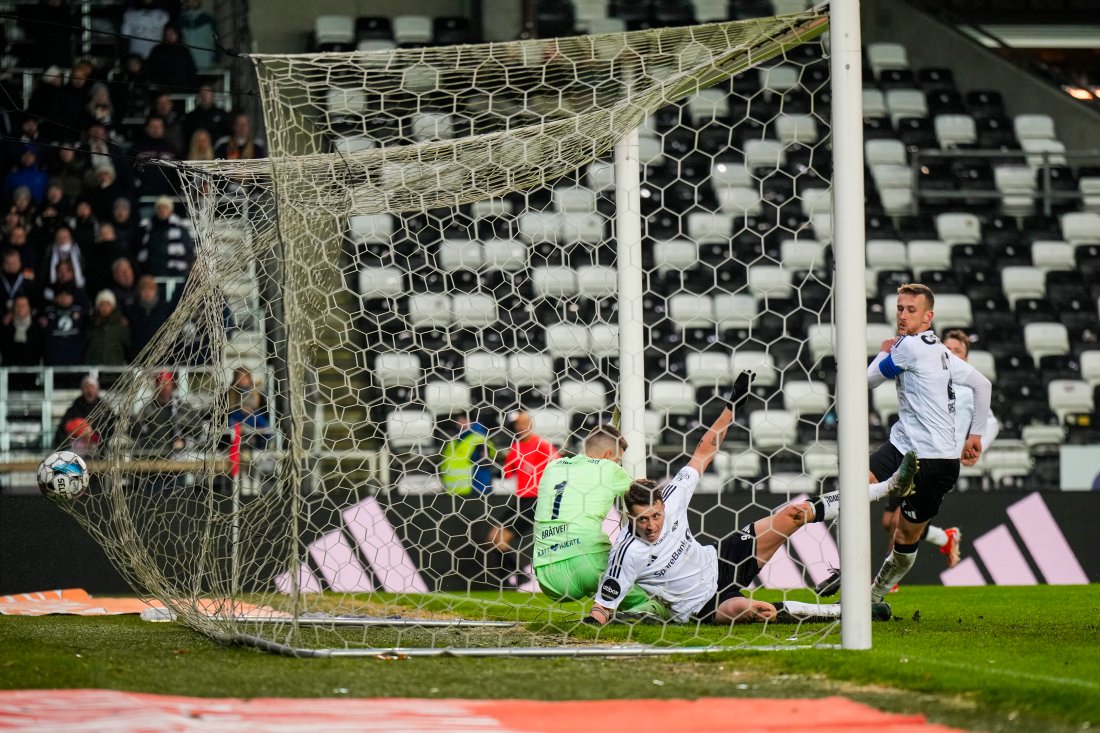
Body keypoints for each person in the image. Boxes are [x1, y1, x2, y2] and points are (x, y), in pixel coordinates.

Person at [585, 448, 917, 626]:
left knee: (793, 514)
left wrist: (732, 404)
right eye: (643, 520)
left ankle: (888, 487)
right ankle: (852, 612)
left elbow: (703, 451)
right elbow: (603, 607)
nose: (652, 525)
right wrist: (593, 620)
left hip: (720, 560)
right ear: (630, 517)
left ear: (662, 505)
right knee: (756, 610)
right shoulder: (626, 552)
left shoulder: (672, 496)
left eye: (656, 515)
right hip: (703, 606)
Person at [858, 284, 992, 602]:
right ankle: (852, 579)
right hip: (904, 447)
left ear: (928, 317)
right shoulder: (938, 349)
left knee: (904, 535)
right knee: (856, 488)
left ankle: (874, 596)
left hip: (935, 462)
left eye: (911, 310)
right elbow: (982, 383)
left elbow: (866, 380)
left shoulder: (910, 347)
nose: (903, 315)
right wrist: (976, 435)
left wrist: (883, 350)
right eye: (900, 309)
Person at [876, 329, 1000, 570]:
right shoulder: (928, 382)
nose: (952, 353)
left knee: (900, 522)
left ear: (965, 359)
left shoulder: (967, 390)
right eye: (949, 349)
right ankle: (945, 538)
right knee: (888, 520)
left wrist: (976, 445)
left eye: (958, 351)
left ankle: (888, 583)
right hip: (910, 456)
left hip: (939, 463)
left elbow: (992, 422)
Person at [486, 411, 560, 584]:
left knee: (501, 540)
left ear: (531, 425)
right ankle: (517, 576)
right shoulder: (516, 448)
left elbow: (558, 466)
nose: (521, 427)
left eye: (524, 423)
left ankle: (507, 581)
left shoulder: (542, 445)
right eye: (518, 424)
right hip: (520, 500)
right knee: (493, 537)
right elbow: (507, 472)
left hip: (536, 500)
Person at [136, 197, 195, 278]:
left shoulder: (180, 229)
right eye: (159, 208)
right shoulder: (149, 229)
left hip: (175, 271)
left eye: (165, 208)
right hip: (153, 271)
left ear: (170, 210)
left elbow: (188, 249)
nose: (162, 210)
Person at [439, 414, 497, 495]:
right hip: (452, 492)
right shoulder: (453, 441)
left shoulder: (479, 440)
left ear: (472, 421)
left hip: (474, 492)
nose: (460, 423)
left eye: (463, 420)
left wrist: (480, 491)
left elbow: (484, 466)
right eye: (458, 420)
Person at [54, 374, 112, 449]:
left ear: (97, 389)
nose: (89, 390)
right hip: (77, 441)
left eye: (92, 387)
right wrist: (81, 427)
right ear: (82, 389)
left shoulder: (103, 406)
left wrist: (91, 428)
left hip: (97, 441)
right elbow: (65, 424)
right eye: (86, 387)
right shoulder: (76, 405)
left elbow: (109, 426)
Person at [126, 274, 172, 358]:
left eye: (151, 289)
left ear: (155, 290)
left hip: (160, 357)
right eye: (144, 289)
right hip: (137, 356)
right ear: (139, 291)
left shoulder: (165, 309)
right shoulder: (132, 311)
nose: (147, 292)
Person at [85, 289, 130, 365]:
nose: (105, 308)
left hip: (115, 370)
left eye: (108, 304)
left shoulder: (120, 326)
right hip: (94, 371)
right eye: (102, 304)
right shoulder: (91, 325)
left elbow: (128, 348)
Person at [0, 295, 43, 367]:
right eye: (18, 305)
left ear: (29, 308)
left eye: (23, 305)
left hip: (32, 372)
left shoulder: (38, 327)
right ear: (13, 308)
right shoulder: (5, 328)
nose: (20, 308)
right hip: (9, 372)